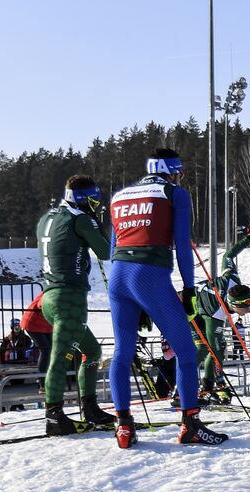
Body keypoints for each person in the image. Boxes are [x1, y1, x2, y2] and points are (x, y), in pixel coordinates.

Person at [107, 148, 227, 447]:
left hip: (119, 278)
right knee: (186, 352)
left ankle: (123, 425)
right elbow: (183, 248)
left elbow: (113, 248)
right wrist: (188, 289)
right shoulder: (174, 193)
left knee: (123, 352)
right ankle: (190, 424)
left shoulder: (120, 195)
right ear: (172, 170)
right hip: (151, 277)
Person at [35, 175, 116, 435]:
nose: (96, 205)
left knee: (91, 352)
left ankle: (89, 407)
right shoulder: (80, 218)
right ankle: (54, 416)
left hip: (48, 296)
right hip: (69, 298)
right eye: (93, 200)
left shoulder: (48, 217)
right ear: (82, 199)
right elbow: (106, 252)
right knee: (60, 359)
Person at [188, 225, 250, 404]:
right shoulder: (218, 313)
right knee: (210, 348)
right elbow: (215, 348)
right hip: (192, 311)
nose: (249, 310)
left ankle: (210, 385)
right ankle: (197, 388)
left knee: (216, 348)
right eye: (245, 306)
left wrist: (248, 239)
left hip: (200, 304)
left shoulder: (233, 279)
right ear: (233, 305)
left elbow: (228, 256)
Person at [19, 293, 54, 375]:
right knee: (46, 350)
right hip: (33, 324)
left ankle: (51, 376)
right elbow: (42, 304)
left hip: (46, 325)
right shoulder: (53, 292)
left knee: (53, 349)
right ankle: (42, 379)